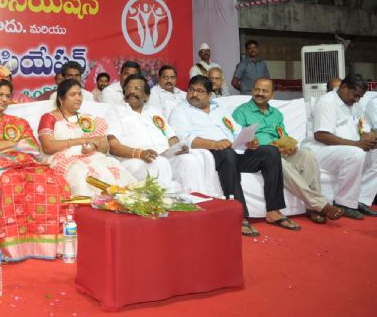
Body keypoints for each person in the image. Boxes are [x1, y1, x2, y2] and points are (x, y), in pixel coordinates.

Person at [168, 75, 294, 236]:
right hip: (210, 153)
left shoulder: (219, 108)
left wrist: (249, 141)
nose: (194, 94)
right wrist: (214, 144)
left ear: (209, 95)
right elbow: (184, 139)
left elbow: (236, 130)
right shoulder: (181, 110)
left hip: (235, 151)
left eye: (200, 91)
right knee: (228, 153)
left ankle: (273, 210)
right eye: (191, 90)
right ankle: (238, 214)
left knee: (271, 152)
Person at [0, 80, 72, 261]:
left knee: (52, 179)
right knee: (8, 180)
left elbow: (31, 147)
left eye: (8, 96)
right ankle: (10, 247)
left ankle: (44, 245)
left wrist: (1, 145)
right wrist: (13, 144)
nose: (4, 99)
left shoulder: (17, 122)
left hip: (23, 163)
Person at [232, 79, 343, 224]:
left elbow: (282, 134)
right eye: (257, 90)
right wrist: (252, 142)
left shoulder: (276, 114)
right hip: (256, 154)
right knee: (277, 160)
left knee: (307, 155)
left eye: (265, 91)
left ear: (272, 95)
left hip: (278, 150)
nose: (260, 93)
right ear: (252, 91)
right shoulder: (241, 112)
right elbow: (236, 138)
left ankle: (312, 208)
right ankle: (320, 205)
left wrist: (288, 145)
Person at [106, 74, 213, 194]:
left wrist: (177, 148)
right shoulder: (116, 111)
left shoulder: (153, 111)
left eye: (137, 88)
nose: (131, 91)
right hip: (133, 160)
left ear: (146, 96)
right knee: (159, 162)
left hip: (162, 155)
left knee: (190, 159)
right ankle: (164, 202)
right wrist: (140, 153)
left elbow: (172, 138)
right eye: (128, 88)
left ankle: (197, 199)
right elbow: (113, 146)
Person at [302, 75, 377, 220]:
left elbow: (363, 127)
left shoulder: (355, 103)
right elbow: (321, 135)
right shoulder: (327, 102)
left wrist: (370, 137)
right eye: (355, 95)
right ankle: (344, 203)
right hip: (319, 149)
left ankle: (361, 200)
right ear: (343, 87)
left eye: (360, 97)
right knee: (355, 153)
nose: (357, 99)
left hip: (346, 147)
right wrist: (357, 144)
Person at [38, 79, 135, 196]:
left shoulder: (86, 119)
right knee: (81, 173)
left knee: (112, 167)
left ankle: (123, 200)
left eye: (79, 94)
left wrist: (93, 146)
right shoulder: (49, 118)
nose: (78, 98)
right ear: (61, 99)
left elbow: (105, 146)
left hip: (91, 156)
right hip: (63, 159)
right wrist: (82, 141)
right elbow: (48, 147)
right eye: (73, 94)